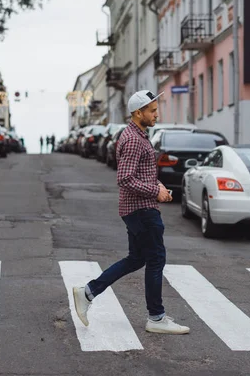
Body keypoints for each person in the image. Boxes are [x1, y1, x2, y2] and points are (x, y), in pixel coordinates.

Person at [72, 90, 189, 335]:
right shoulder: (135, 139)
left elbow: (139, 173)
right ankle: (156, 318)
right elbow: (125, 179)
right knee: (156, 259)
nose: (157, 114)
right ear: (138, 113)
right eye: (153, 111)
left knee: (136, 258)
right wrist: (154, 192)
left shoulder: (137, 134)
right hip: (142, 210)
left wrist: (157, 186)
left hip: (137, 208)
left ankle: (88, 292)